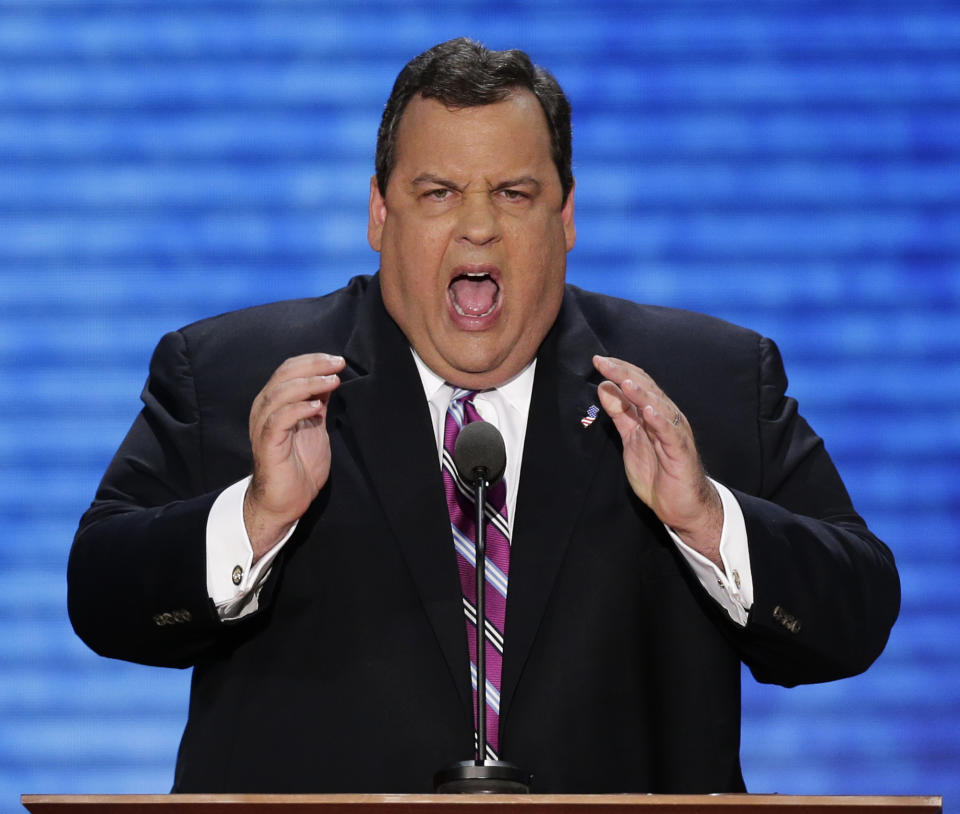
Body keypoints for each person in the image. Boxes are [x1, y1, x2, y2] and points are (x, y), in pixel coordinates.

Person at [68, 38, 900, 794]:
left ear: (566, 217)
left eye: (513, 192)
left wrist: (705, 518)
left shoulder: (697, 386)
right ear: (379, 214)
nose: (477, 226)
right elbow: (101, 596)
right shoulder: (236, 377)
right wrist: (255, 519)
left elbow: (854, 619)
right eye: (437, 192)